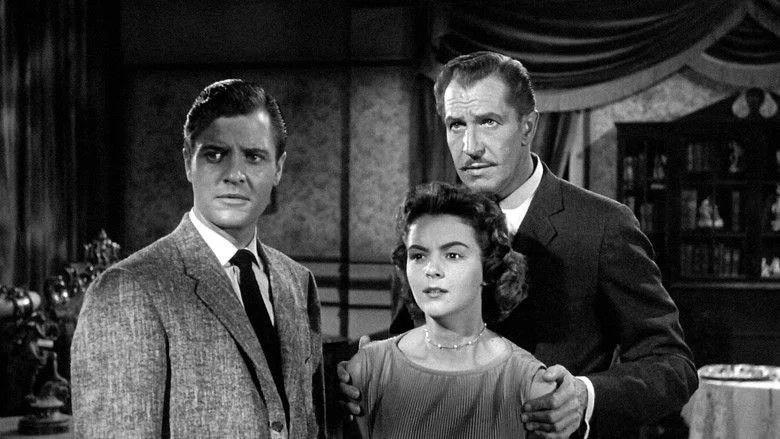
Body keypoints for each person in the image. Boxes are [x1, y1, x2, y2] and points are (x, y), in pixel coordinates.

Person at [340, 51, 697, 438]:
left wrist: (585, 396)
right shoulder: (431, 222)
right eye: (456, 125)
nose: (470, 146)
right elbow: (410, 332)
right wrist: (360, 365)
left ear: (528, 127)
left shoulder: (602, 226)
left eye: (488, 122)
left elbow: (672, 365)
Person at [71, 79, 325, 438]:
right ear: (188, 163)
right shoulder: (128, 290)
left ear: (278, 169)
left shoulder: (297, 281)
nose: (234, 175)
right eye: (215, 154)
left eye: (253, 157)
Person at [347, 182, 555, 438]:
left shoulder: (528, 382)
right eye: (418, 256)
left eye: (452, 255)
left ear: (488, 266)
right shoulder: (367, 370)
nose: (431, 270)